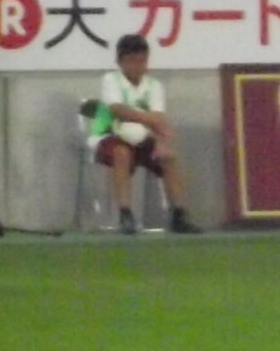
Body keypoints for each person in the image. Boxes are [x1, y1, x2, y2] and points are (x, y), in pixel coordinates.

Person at [84, 33, 200, 234]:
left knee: (168, 158)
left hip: (142, 138)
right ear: (120, 61)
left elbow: (158, 118)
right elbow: (117, 110)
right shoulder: (111, 80)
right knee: (122, 153)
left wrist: (161, 142)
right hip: (110, 136)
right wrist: (147, 118)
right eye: (131, 61)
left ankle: (179, 215)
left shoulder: (154, 86)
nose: (137, 66)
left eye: (142, 61)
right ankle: (125, 214)